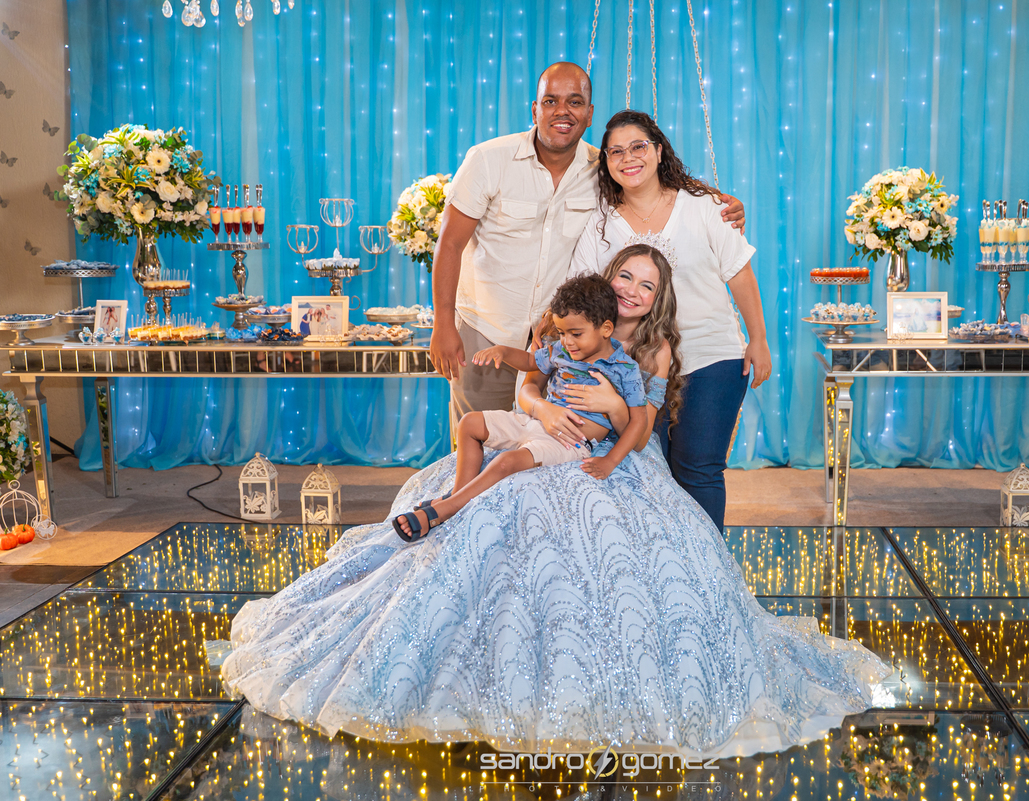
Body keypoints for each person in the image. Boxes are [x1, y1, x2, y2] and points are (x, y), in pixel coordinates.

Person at [215, 240, 890, 757]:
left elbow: (642, 421)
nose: (632, 290)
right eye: (625, 276)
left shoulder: (651, 350)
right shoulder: (570, 321)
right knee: (496, 471)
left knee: (574, 519)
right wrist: (540, 403)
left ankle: (480, 538)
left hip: (613, 454)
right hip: (542, 427)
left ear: (658, 298)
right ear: (607, 279)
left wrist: (610, 419)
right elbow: (530, 379)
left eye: (646, 284)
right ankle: (453, 507)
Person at [430, 61, 744, 439]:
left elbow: (655, 182)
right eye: (551, 101)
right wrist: (442, 323)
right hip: (487, 330)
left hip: (563, 337)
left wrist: (716, 201)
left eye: (575, 102)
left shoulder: (603, 167)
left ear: (589, 113)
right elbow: (450, 243)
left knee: (550, 450)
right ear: (535, 109)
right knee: (478, 440)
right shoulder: (488, 159)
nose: (562, 111)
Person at [567, 109, 771, 530]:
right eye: (615, 152)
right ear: (606, 162)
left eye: (638, 147)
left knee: (699, 468)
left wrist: (758, 339)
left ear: (659, 151)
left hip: (712, 356)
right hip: (637, 365)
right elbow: (583, 294)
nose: (628, 158)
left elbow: (740, 273)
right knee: (647, 470)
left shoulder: (706, 207)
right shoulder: (601, 224)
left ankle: (708, 565)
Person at [392, 274, 648, 541]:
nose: (567, 341)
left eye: (576, 334)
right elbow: (530, 361)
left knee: (507, 462)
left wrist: (609, 461)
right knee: (469, 423)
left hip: (569, 441)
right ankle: (459, 497)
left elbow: (639, 422)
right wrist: (503, 352)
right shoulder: (562, 351)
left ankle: (442, 511)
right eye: (562, 333)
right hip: (537, 421)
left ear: (606, 329)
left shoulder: (624, 369)